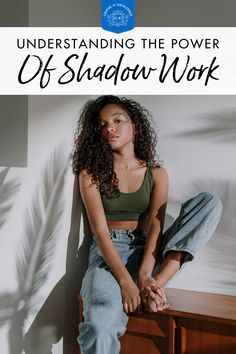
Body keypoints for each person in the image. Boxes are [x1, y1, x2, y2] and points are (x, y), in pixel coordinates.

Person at [71, 95, 222, 354]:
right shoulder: (91, 174)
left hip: (149, 252)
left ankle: (155, 286)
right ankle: (149, 291)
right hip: (108, 258)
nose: (110, 128)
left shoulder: (157, 173)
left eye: (118, 120)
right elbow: (100, 232)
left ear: (135, 127)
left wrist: (144, 276)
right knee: (98, 328)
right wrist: (126, 282)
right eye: (103, 124)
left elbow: (155, 225)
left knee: (209, 202)